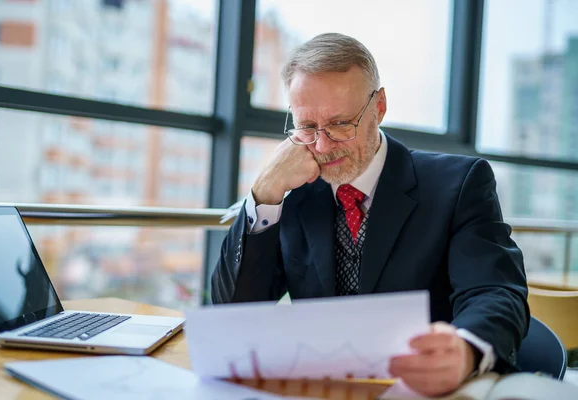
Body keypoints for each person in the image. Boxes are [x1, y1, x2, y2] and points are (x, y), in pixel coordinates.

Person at [211, 33, 529, 397]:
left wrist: (465, 349)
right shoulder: (292, 191)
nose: (323, 145)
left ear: (379, 106)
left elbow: (495, 291)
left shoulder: (458, 184)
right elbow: (233, 314)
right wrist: (263, 194)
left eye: (341, 124)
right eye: (307, 127)